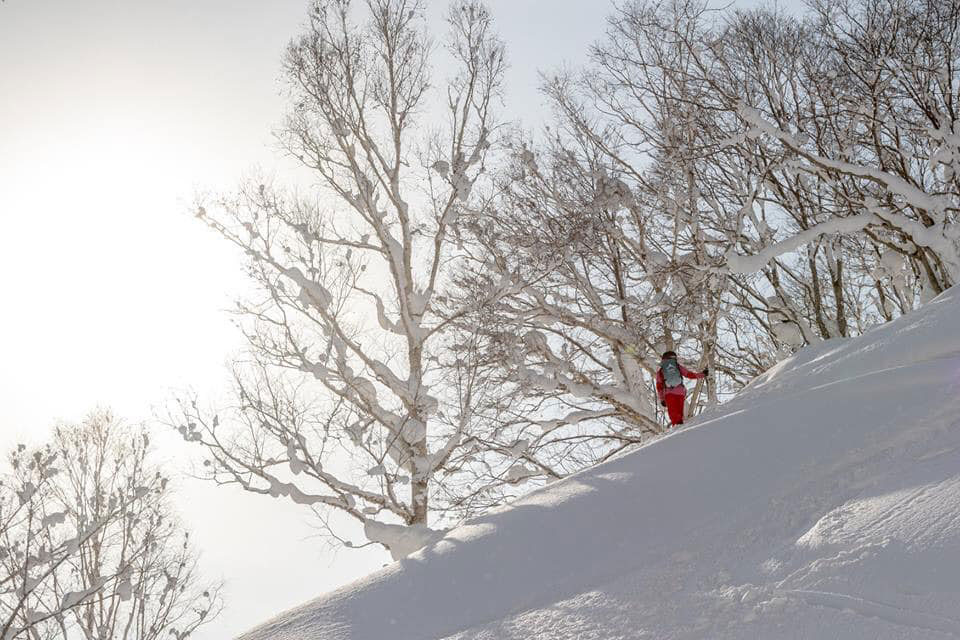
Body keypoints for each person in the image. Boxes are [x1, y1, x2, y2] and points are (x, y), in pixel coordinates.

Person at [656, 350, 708, 427]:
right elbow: (689, 375)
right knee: (679, 413)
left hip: (669, 393)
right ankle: (680, 426)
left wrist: (662, 399)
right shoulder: (677, 366)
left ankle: (678, 428)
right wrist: (703, 374)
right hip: (680, 392)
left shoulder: (661, 370)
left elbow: (659, 386)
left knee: (673, 413)